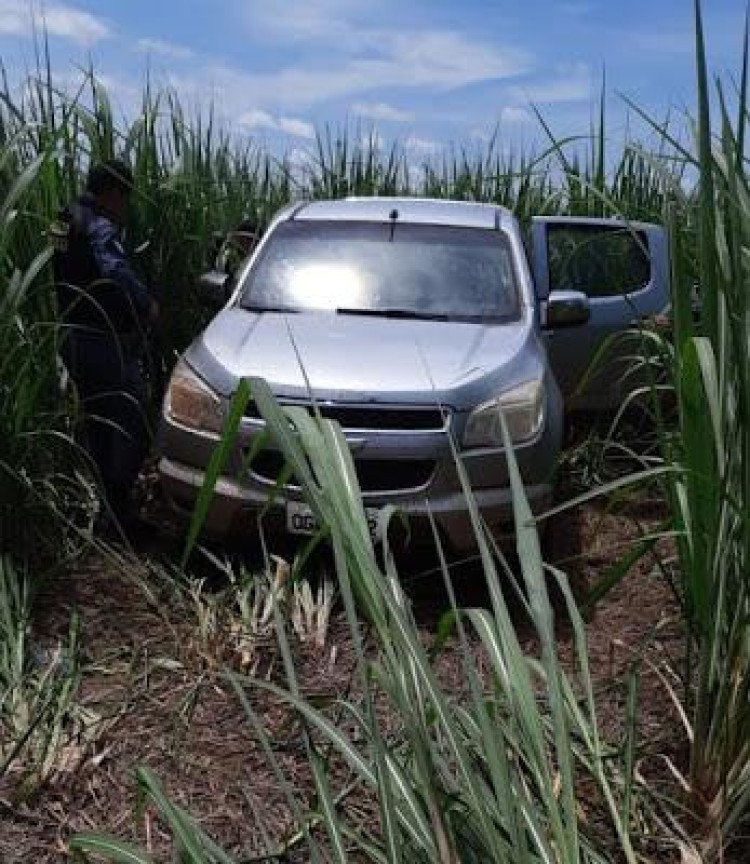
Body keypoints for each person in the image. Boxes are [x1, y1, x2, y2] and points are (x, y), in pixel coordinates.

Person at [52, 158, 158, 533]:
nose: (125, 207)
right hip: (100, 338)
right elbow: (114, 269)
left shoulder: (63, 219)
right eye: (125, 198)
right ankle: (118, 515)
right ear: (114, 193)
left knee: (96, 423)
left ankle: (104, 511)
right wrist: (146, 304)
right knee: (131, 420)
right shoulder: (99, 225)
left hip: (69, 334)